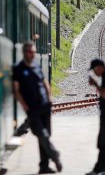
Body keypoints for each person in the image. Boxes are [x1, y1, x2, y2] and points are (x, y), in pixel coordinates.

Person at [12, 41, 62, 174]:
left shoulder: (36, 65)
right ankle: (55, 156)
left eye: (34, 52)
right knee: (42, 134)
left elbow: (44, 81)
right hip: (32, 109)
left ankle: (43, 166)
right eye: (30, 52)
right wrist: (24, 106)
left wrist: (50, 97)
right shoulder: (18, 69)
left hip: (45, 106)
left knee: (45, 136)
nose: (32, 54)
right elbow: (16, 90)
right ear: (24, 53)